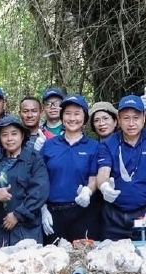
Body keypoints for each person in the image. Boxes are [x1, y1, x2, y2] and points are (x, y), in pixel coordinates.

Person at [95, 96, 146, 240]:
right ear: (118, 119)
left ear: (144, 118)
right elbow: (103, 171)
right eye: (126, 118)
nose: (131, 123)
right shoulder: (108, 144)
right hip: (113, 215)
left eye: (136, 118)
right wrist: (104, 186)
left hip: (145, 212)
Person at [39, 95, 100, 242]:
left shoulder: (94, 146)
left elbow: (94, 177)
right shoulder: (49, 145)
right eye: (67, 113)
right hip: (53, 214)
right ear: (62, 117)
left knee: (82, 254)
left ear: (85, 118)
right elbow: (40, 178)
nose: (72, 118)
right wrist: (42, 208)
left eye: (77, 114)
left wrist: (87, 191)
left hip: (83, 213)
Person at [0, 116, 49, 245]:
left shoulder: (34, 159)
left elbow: (40, 191)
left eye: (14, 134)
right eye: (4, 135)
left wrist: (18, 215)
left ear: (22, 136)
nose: (9, 138)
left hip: (27, 230)